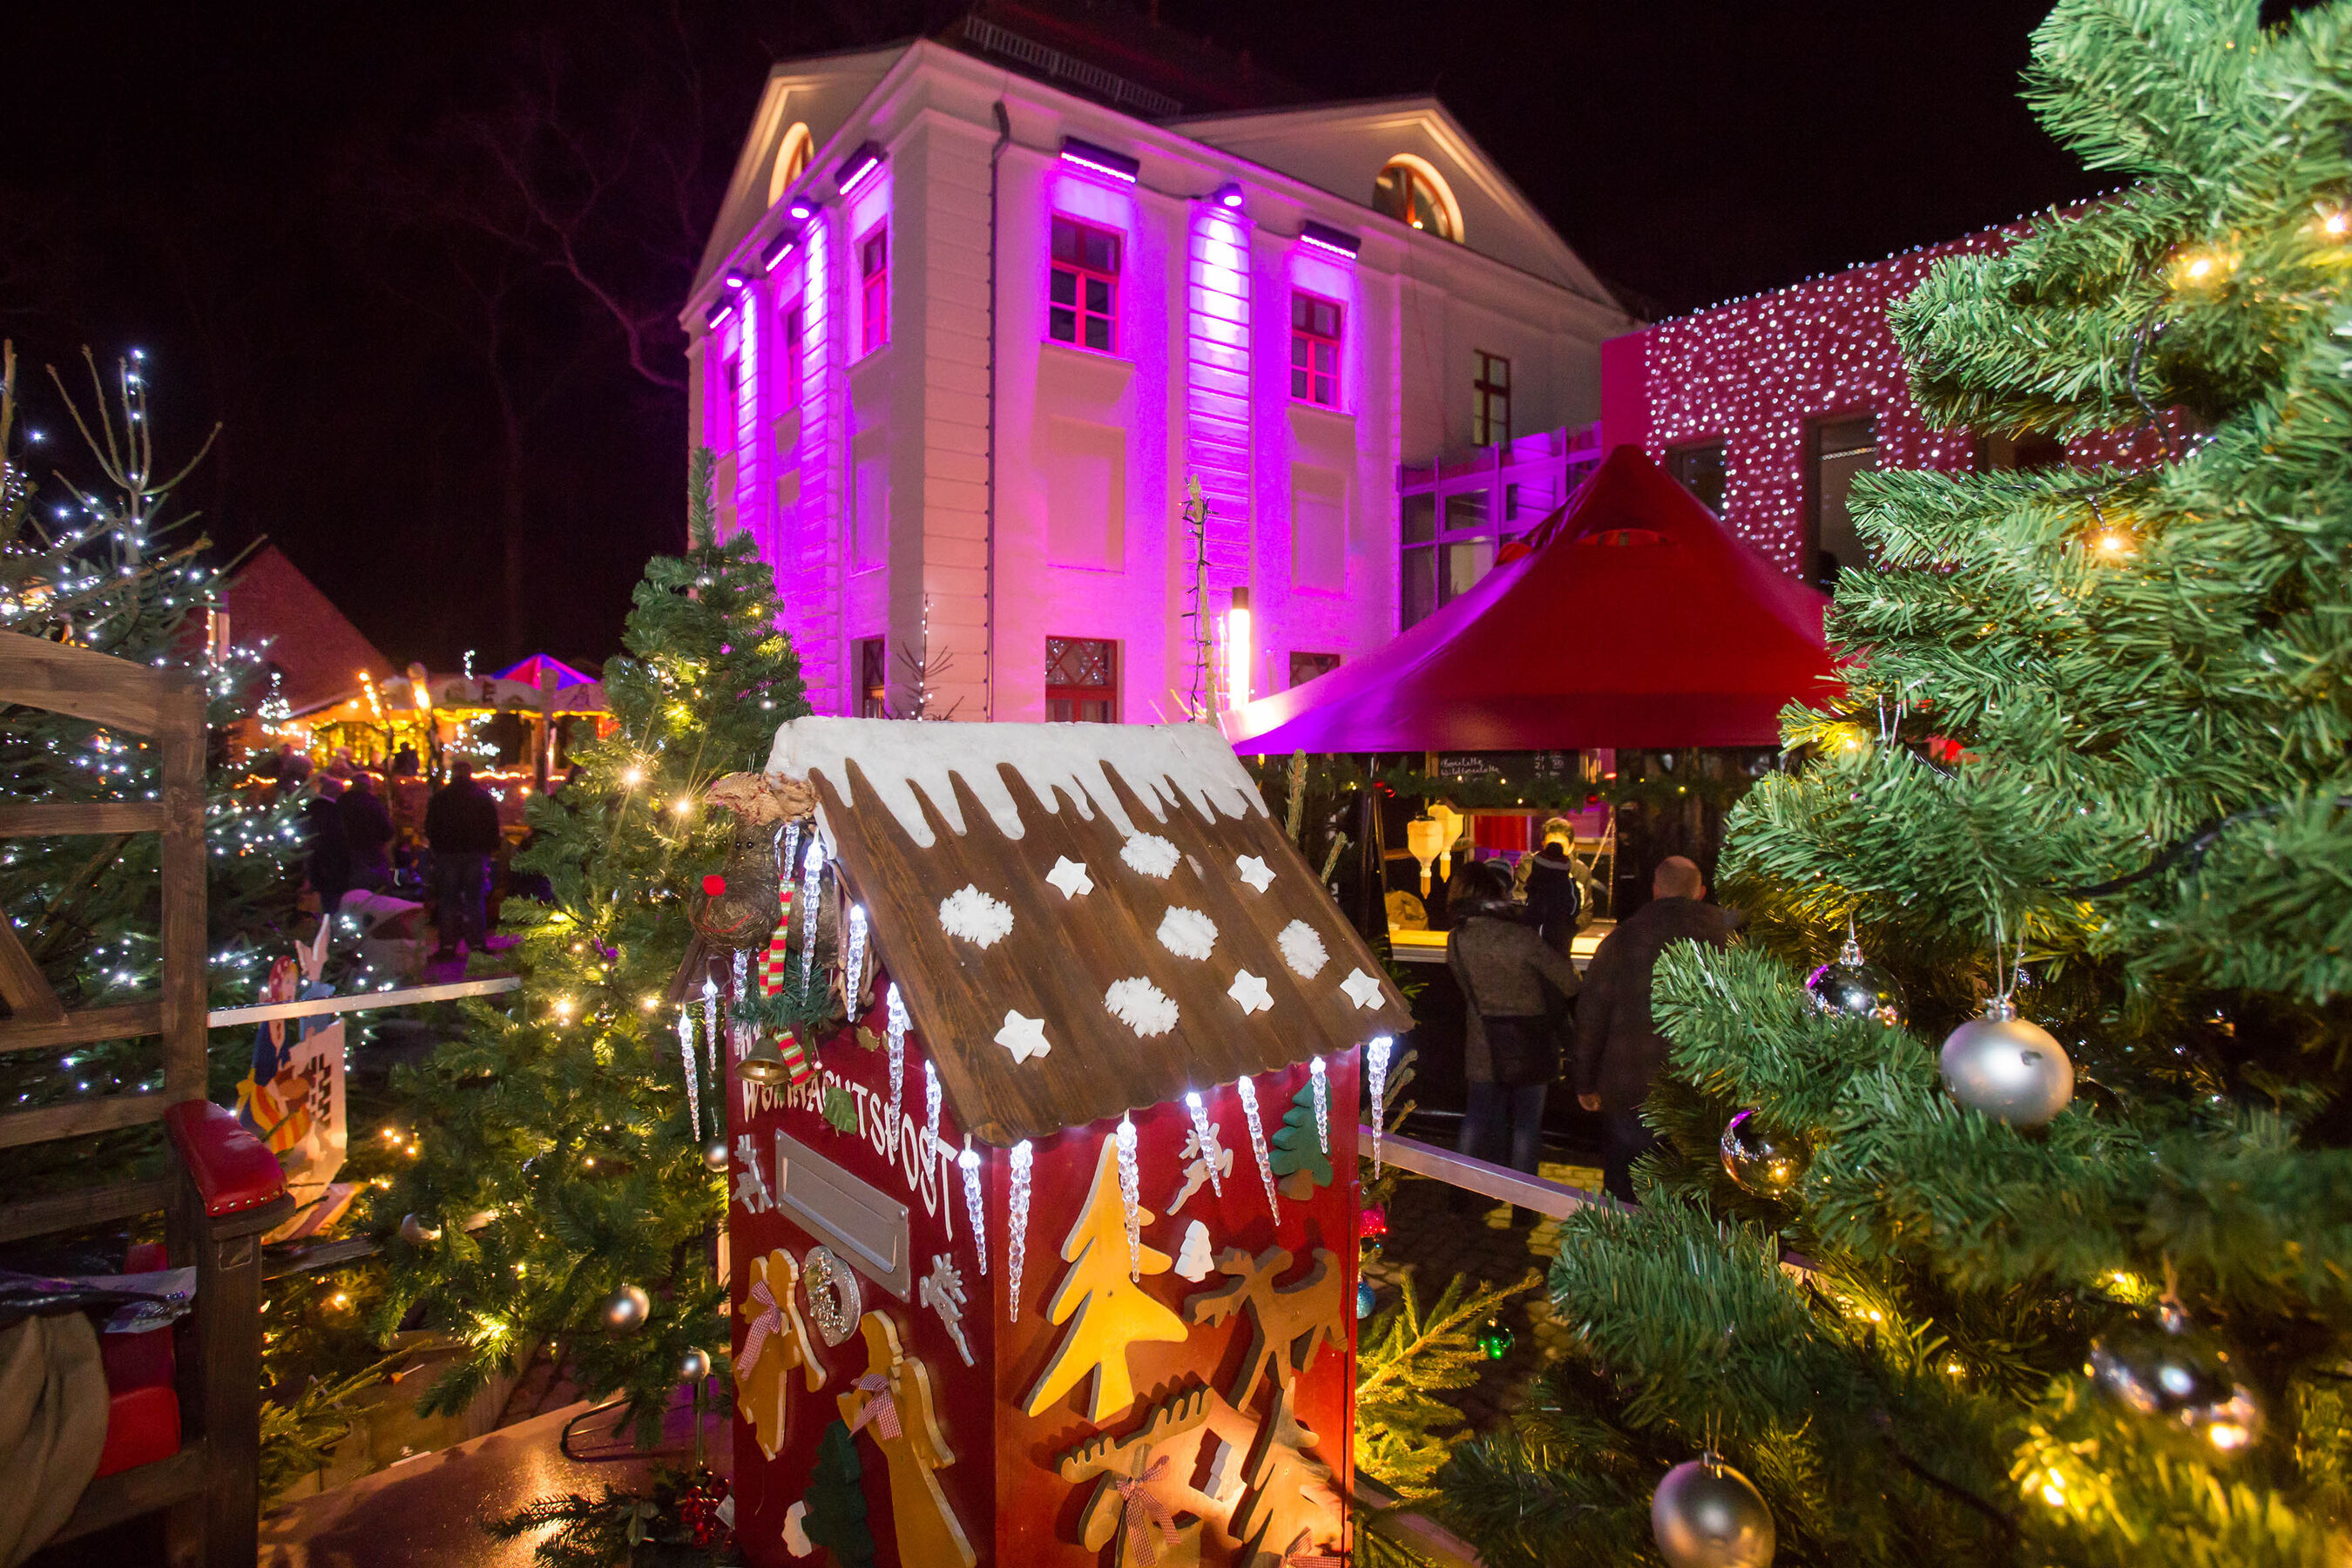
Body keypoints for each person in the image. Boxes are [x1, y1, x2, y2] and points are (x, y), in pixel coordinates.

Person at [1573, 855, 1733, 1203]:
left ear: (1656, 890)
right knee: (1696, 1198)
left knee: (1627, 1192)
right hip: (1704, 1090)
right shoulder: (1728, 941)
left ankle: (1626, 1252)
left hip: (1632, 1089)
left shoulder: (1622, 940)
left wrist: (1585, 1081)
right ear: (1702, 892)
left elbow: (1592, 1016)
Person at [1446, 858, 1578, 1192]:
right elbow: (1568, 982)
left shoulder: (1457, 941)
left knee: (1476, 1118)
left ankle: (1460, 1194)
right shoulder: (1520, 937)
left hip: (1482, 1042)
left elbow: (1464, 987)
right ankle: (1523, 1204)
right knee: (1526, 1125)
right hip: (1531, 1044)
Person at [425, 760, 503, 959]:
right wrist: (489, 848)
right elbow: (492, 827)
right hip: (475, 854)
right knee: (475, 900)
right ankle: (477, 943)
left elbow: (431, 827)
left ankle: (448, 946)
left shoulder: (441, 798)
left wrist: (437, 849)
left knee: (449, 901)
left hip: (448, 854)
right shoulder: (481, 799)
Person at [1518, 817, 1594, 959]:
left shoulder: (1580, 872)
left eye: (1561, 847)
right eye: (1551, 846)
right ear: (1543, 844)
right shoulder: (1529, 866)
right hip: (1531, 943)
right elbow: (1521, 901)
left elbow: (1585, 913)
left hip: (1561, 944)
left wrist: (1564, 930)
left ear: (1571, 847)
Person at [301, 794, 353, 920]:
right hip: (335, 872)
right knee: (332, 904)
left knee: (326, 903)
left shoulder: (311, 828)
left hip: (322, 870)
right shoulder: (338, 828)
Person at [341, 771, 395, 889]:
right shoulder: (373, 803)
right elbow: (387, 829)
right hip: (371, 849)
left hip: (347, 851)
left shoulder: (341, 802)